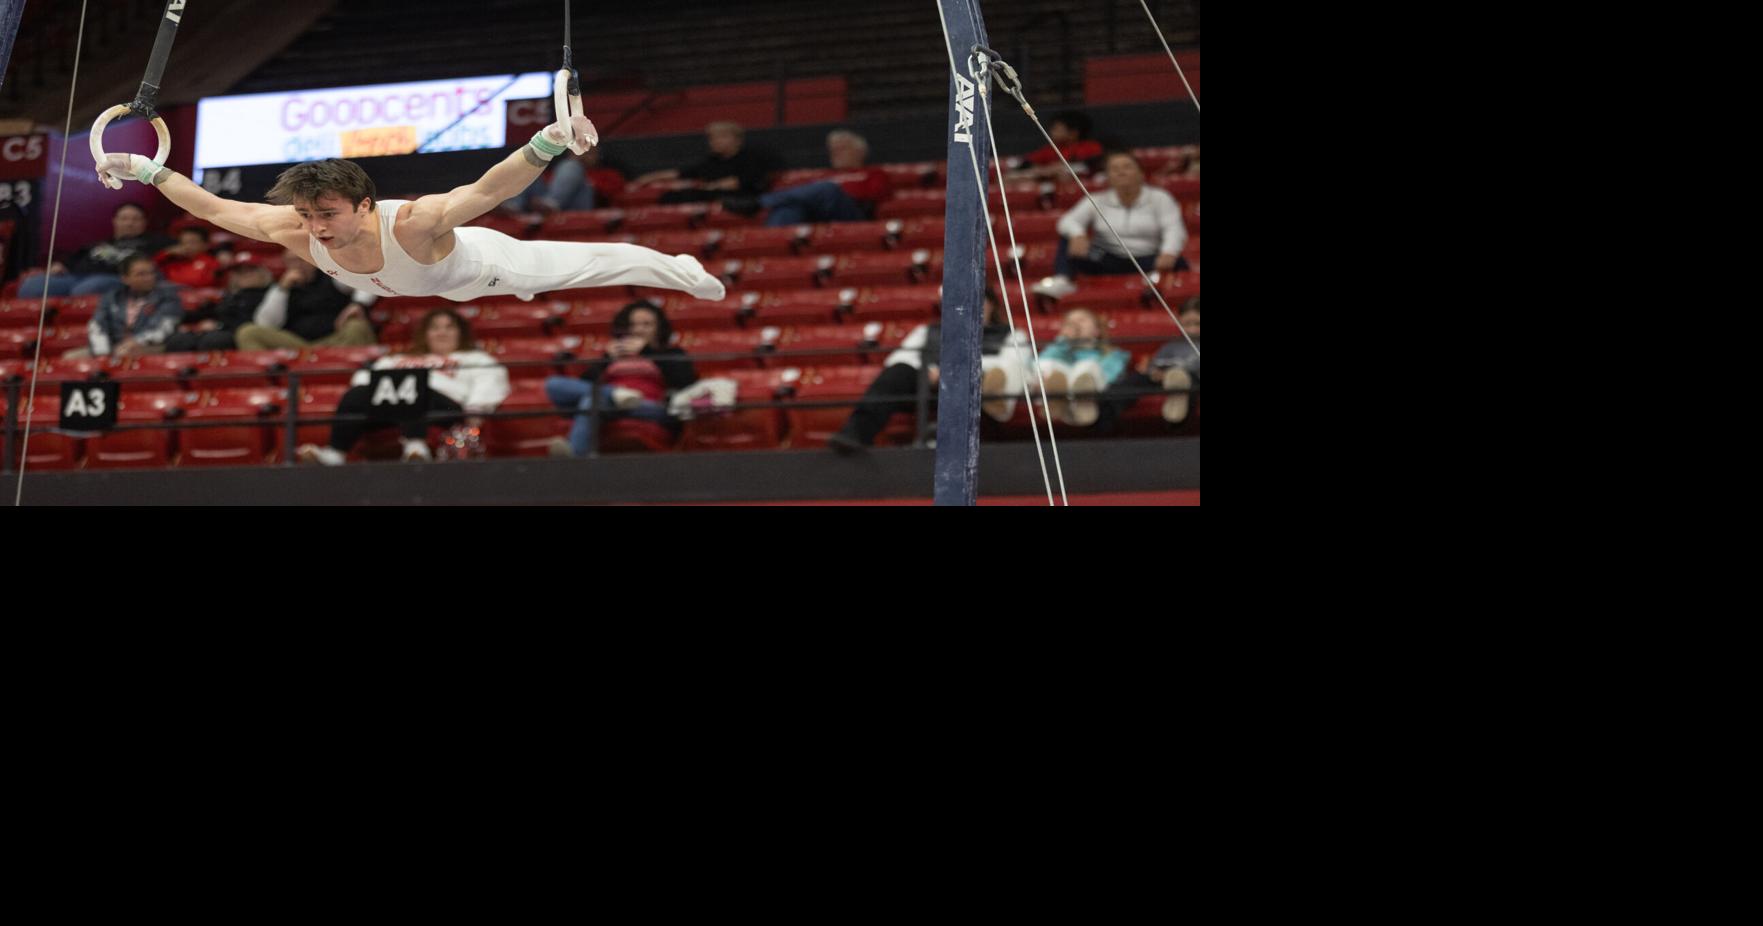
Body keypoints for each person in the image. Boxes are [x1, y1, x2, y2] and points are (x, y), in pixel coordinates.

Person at [95, 101, 726, 306]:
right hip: (417, 289)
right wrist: (149, 169)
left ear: (366, 205)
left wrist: (546, 142)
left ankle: (681, 270)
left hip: (483, 267)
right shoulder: (295, 229)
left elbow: (488, 190)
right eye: (310, 217)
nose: (318, 229)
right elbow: (213, 209)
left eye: (329, 216)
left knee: (601, 262)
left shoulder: (415, 221)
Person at [296, 308, 509, 465]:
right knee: (357, 393)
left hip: (443, 407)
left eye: (448, 327)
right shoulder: (399, 358)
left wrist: (477, 408)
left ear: (460, 332)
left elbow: (490, 382)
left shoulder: (475, 358)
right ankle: (335, 453)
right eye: (435, 328)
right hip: (388, 405)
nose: (441, 333)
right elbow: (363, 380)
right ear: (425, 333)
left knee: (413, 382)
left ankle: (416, 445)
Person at [826, 289, 1028, 454]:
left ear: (991, 306)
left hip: (974, 389)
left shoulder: (1011, 335)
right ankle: (855, 435)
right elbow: (901, 358)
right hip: (929, 386)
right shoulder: (927, 331)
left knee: (966, 382)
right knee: (897, 373)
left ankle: (948, 444)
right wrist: (931, 372)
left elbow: (1010, 365)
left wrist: (954, 371)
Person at [544, 300, 698, 457]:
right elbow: (584, 384)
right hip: (611, 405)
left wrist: (647, 351)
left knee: (592, 400)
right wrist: (607, 360)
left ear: (659, 328)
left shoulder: (672, 353)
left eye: (646, 325)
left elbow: (685, 383)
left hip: (650, 407)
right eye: (633, 325)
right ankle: (614, 394)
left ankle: (576, 455)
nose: (638, 330)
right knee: (554, 384)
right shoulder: (613, 355)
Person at [1031, 151, 1188, 299]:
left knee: (1179, 262)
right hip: (1107, 258)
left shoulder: (1160, 198)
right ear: (1108, 177)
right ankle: (1063, 280)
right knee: (1069, 238)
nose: (1121, 172)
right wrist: (1078, 234)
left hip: (1147, 258)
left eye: (1127, 167)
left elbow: (1173, 228)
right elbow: (1067, 221)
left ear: (1141, 173)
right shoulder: (1097, 200)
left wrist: (1169, 252)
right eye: (1114, 169)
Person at [725, 129, 893, 226]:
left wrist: (838, 194)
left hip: (851, 215)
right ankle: (770, 256)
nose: (835, 153)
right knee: (788, 208)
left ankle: (759, 202)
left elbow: (875, 196)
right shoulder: (824, 174)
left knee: (828, 188)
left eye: (842, 149)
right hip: (817, 215)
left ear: (860, 152)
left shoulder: (873, 173)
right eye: (833, 149)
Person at [230, 248, 378, 351]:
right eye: (292, 262)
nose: (297, 266)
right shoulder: (281, 288)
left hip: (336, 341)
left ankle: (350, 375)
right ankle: (275, 384)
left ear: (313, 259)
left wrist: (358, 304)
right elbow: (265, 323)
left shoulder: (332, 276)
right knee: (248, 332)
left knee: (357, 327)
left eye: (301, 259)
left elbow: (367, 281)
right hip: (298, 346)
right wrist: (282, 290)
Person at [20, 202, 175, 298]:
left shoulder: (156, 241)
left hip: (115, 278)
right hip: (76, 276)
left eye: (135, 219)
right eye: (124, 218)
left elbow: (178, 249)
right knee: (32, 285)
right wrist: (60, 266)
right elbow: (72, 259)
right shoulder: (99, 243)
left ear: (144, 222)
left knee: (86, 289)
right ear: (115, 221)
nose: (129, 223)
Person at [63, 253, 183, 359]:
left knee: (125, 355)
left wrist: (135, 342)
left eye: (151, 273)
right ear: (125, 279)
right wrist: (103, 354)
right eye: (141, 274)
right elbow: (98, 325)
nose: (149, 278)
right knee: (70, 358)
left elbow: (162, 329)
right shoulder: (112, 298)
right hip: (114, 347)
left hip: (153, 346)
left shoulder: (168, 297)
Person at [632, 121, 782, 205]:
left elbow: (745, 180)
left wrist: (713, 186)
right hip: (711, 194)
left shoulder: (751, 157)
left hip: (742, 198)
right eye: (712, 138)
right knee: (670, 197)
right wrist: (647, 178)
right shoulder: (711, 161)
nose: (715, 142)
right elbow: (680, 173)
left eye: (721, 137)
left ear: (736, 139)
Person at [1033, 308, 1131, 427]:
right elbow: (1040, 363)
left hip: (1097, 396)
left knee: (1086, 367)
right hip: (1058, 385)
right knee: (1051, 366)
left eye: (1081, 320)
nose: (1075, 325)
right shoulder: (1060, 351)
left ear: (1096, 330)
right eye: (1069, 322)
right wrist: (1064, 341)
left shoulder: (1113, 355)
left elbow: (1110, 377)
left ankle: (1082, 403)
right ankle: (1056, 403)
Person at [162, 261, 275, 353]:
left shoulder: (272, 294)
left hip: (244, 334)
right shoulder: (231, 296)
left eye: (250, 271)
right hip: (221, 331)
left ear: (263, 273)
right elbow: (210, 312)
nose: (244, 276)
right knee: (178, 340)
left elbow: (257, 321)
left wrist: (219, 326)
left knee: (214, 340)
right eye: (239, 272)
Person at [501, 145, 626, 214]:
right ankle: (514, 205)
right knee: (531, 167)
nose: (582, 156)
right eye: (577, 152)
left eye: (588, 153)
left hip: (579, 207)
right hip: (543, 206)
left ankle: (551, 203)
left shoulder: (607, 173)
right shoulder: (559, 173)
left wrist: (586, 182)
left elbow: (614, 194)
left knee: (571, 166)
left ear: (597, 155)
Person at [1007, 111, 1105, 180]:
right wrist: (1045, 170)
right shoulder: (1049, 149)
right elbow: (1024, 164)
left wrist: (1059, 169)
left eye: (1057, 129)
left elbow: (1091, 166)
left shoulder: (1091, 147)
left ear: (1073, 133)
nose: (1052, 132)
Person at [154, 226, 224, 288]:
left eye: (192, 242)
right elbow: (151, 268)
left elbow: (202, 282)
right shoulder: (171, 259)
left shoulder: (211, 262)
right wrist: (166, 253)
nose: (187, 246)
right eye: (183, 242)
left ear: (205, 245)